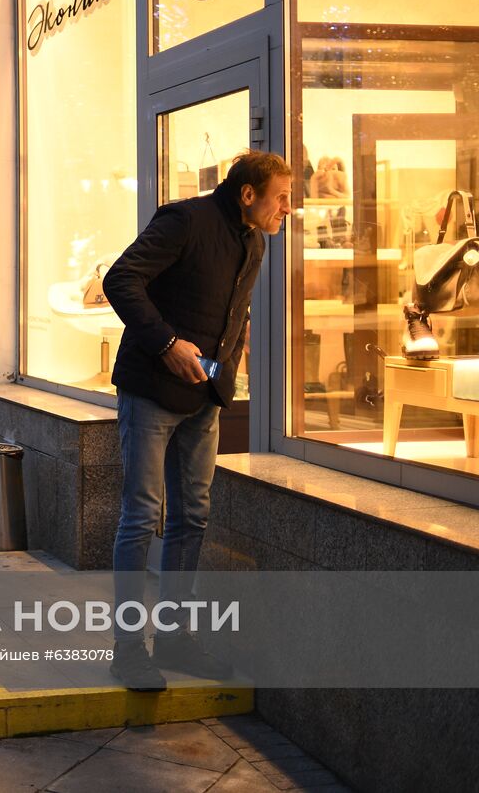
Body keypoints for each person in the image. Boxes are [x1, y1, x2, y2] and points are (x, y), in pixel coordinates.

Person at [101, 150, 290, 692]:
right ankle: (128, 649)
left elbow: (234, 313)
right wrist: (166, 343)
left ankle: (176, 637)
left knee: (193, 518)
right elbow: (122, 280)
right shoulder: (184, 220)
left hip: (203, 398)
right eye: (281, 196)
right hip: (151, 390)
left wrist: (220, 375)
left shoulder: (254, 240)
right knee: (142, 518)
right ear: (248, 193)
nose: (288, 208)